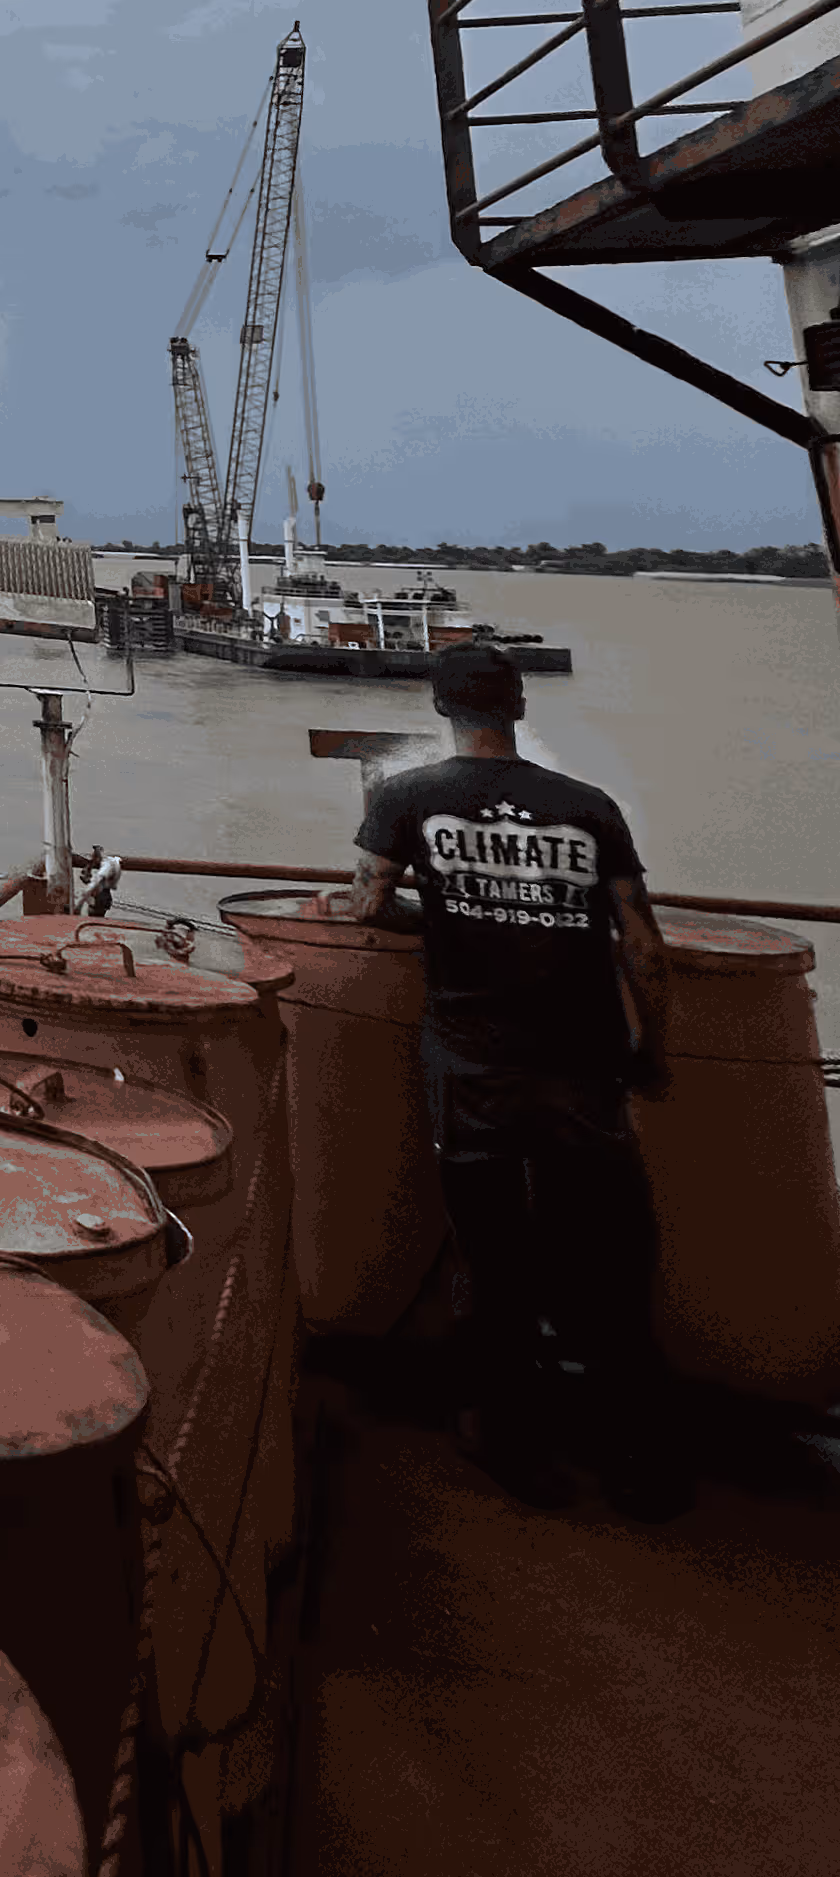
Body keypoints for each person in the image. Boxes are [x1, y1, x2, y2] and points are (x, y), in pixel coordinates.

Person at [349, 640, 682, 1514]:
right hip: (584, 1069)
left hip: (473, 1071)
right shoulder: (590, 807)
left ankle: (510, 1447)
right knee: (607, 1258)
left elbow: (367, 905)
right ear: (519, 706)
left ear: (440, 709)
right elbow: (645, 948)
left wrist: (448, 914)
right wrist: (650, 1053)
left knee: (493, 1260)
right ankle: (637, 1461)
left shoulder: (406, 797)